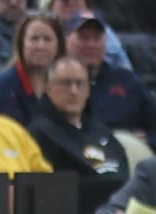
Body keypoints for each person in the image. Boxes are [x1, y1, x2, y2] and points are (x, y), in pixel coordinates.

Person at [28, 55, 127, 210]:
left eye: (80, 83)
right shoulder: (38, 134)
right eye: (65, 83)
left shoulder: (102, 131)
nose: (74, 91)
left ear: (88, 90)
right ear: (48, 88)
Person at [66, 11, 156, 141]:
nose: (91, 44)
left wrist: (147, 139)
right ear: (66, 40)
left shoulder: (127, 80)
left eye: (97, 38)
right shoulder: (57, 83)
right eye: (84, 37)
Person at [0, 11, 64, 124]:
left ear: (59, 46)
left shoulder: (67, 82)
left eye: (47, 39)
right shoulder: (3, 85)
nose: (41, 46)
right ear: (21, 44)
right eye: (34, 39)